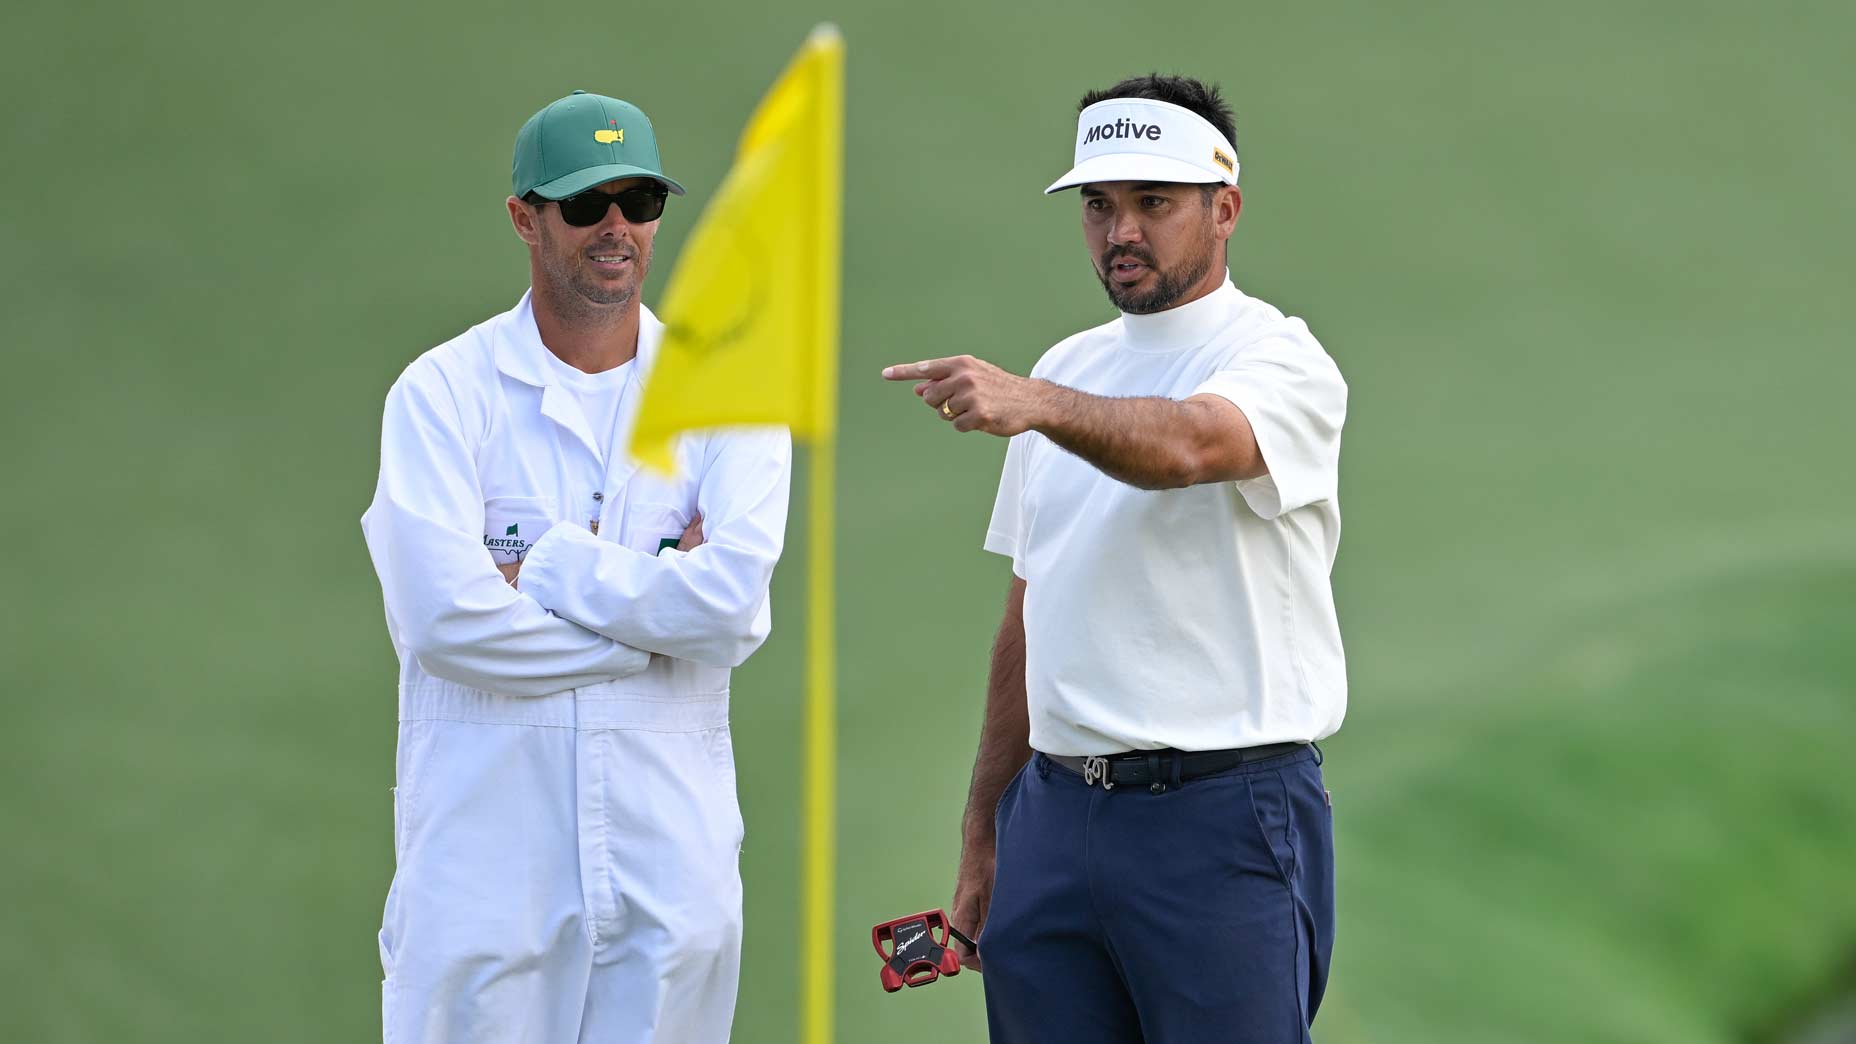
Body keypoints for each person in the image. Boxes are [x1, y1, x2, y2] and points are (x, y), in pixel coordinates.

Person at [882, 74, 1347, 1043]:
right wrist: (985, 832)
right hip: (1053, 818)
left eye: (1153, 202)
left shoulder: (1280, 358)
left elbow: (1190, 447)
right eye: (1098, 205)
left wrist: (1036, 404)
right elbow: (1030, 609)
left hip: (1222, 816)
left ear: (1224, 209)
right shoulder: (1066, 368)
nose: (1119, 231)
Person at [360, 89, 791, 1044]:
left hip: (671, 875)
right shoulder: (441, 395)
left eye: (640, 200)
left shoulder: (729, 397)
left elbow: (731, 608)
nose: (616, 227)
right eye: (586, 202)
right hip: (483, 875)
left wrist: (548, 566)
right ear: (525, 218)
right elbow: (447, 624)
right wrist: (657, 624)